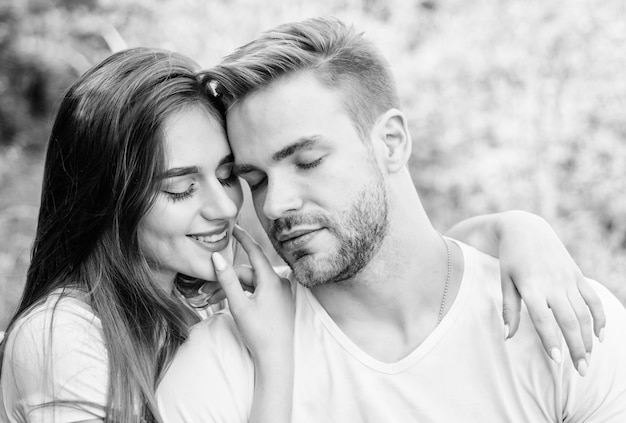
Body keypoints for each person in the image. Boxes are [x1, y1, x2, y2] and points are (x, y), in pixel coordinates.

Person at [157, 17, 626, 421]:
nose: (275, 204)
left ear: (392, 143)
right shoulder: (223, 361)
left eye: (306, 161)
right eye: (256, 180)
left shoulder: (562, 320)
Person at [0, 48, 294, 423]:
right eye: (180, 189)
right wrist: (274, 357)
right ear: (107, 201)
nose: (224, 207)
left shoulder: (202, 305)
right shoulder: (62, 337)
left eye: (226, 177)